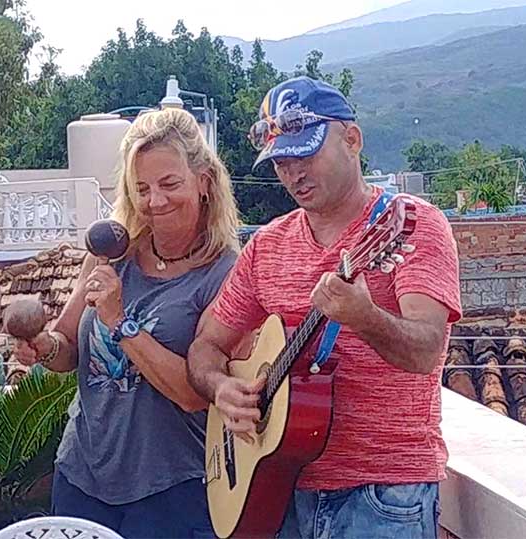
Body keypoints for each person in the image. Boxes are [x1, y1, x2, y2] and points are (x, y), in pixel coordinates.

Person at [187, 76, 462, 539]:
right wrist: (220, 388)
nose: (293, 173)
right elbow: (206, 344)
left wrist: (365, 316)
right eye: (281, 162)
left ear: (352, 139)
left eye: (306, 153)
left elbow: (425, 351)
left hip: (384, 491)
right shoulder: (267, 245)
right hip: (276, 487)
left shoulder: (411, 226)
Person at [12, 107, 241, 538]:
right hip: (83, 476)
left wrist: (121, 321)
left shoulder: (225, 273)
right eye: (142, 189)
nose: (155, 201)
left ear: (204, 181)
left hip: (175, 487)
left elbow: (195, 394)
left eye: (169, 184)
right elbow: (67, 346)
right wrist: (44, 347)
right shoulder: (110, 253)